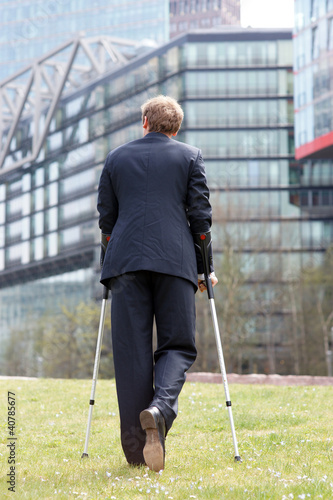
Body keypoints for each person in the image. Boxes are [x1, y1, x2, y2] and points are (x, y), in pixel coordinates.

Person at [97, 95, 218, 472]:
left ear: (145, 122)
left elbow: (107, 219)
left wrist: (109, 262)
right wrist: (205, 269)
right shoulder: (190, 156)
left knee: (131, 355)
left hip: (126, 265)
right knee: (177, 345)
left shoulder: (116, 158)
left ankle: (136, 451)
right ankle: (160, 408)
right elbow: (201, 218)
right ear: (176, 128)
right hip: (174, 262)